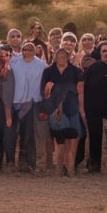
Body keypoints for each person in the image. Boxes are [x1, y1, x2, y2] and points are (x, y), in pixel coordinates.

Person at [40, 47, 84, 177]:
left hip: (73, 108)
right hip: (55, 109)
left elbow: (80, 91)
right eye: (59, 56)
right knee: (60, 140)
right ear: (55, 57)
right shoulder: (48, 72)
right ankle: (59, 168)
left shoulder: (76, 71)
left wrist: (82, 110)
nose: (61, 58)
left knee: (74, 139)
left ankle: (70, 167)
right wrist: (48, 92)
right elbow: (44, 93)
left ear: (68, 57)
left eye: (64, 56)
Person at [83, 40, 107, 173]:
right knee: (95, 137)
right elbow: (85, 89)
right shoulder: (92, 69)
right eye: (104, 51)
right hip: (93, 110)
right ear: (100, 53)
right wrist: (85, 109)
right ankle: (94, 165)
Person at [10, 40, 44, 172]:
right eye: (24, 49)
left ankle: (29, 163)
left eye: (30, 50)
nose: (27, 52)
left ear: (34, 51)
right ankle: (20, 162)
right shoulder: (15, 63)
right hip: (17, 101)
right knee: (18, 133)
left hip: (32, 102)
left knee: (29, 133)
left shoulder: (40, 65)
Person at [0, 44, 16, 171]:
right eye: (1, 55)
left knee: (7, 134)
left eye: (7, 55)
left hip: (5, 106)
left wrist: (8, 115)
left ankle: (9, 161)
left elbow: (7, 94)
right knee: (0, 134)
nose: (4, 57)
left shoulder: (8, 70)